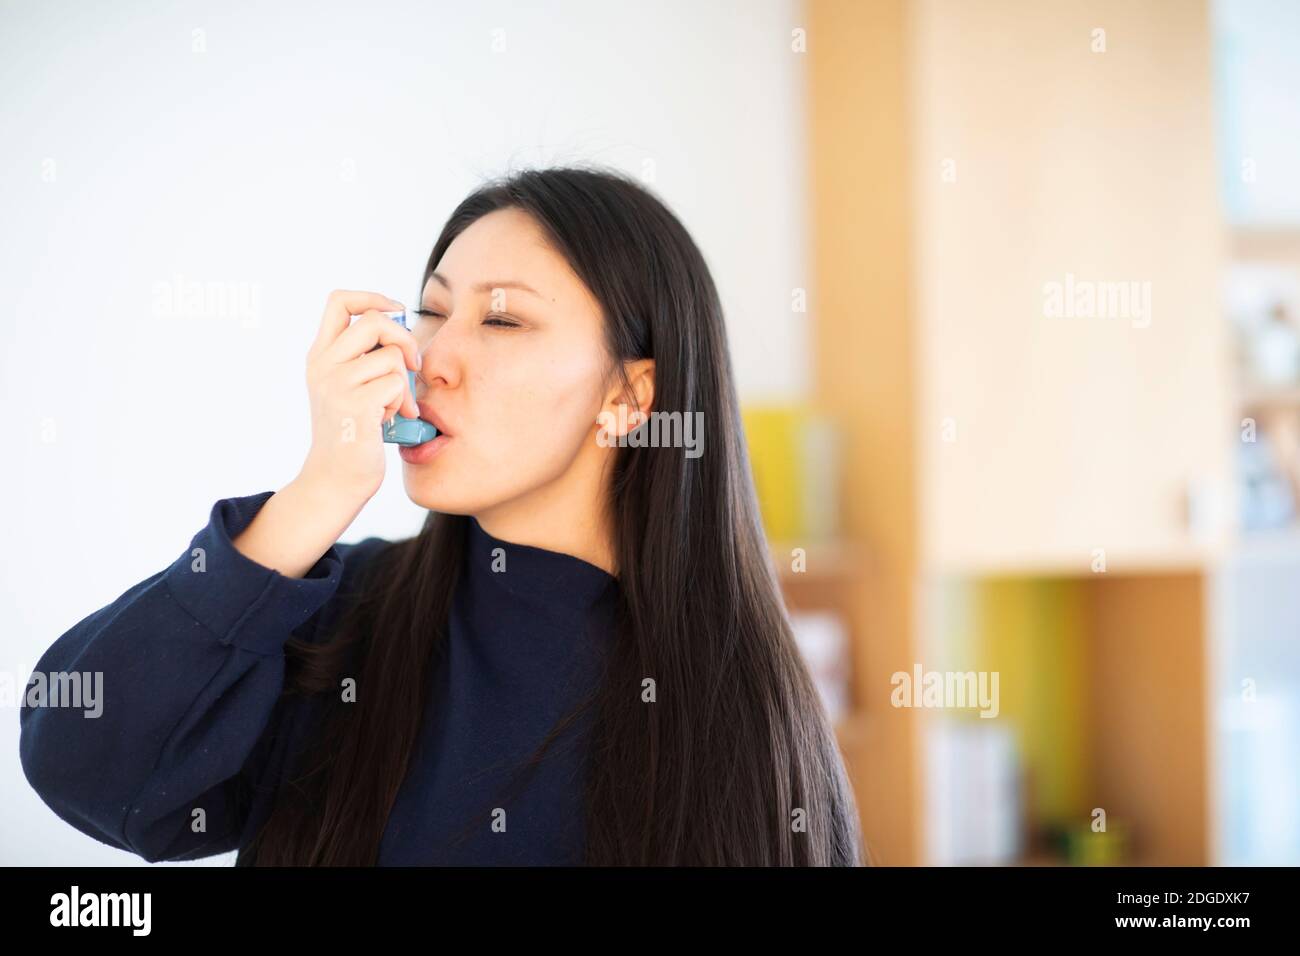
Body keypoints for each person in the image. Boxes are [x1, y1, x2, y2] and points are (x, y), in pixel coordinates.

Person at [20, 165, 863, 866]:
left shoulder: (740, 727)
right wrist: (314, 495)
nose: (432, 359)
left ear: (628, 396)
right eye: (430, 310)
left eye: (501, 317)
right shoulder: (339, 618)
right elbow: (78, 761)